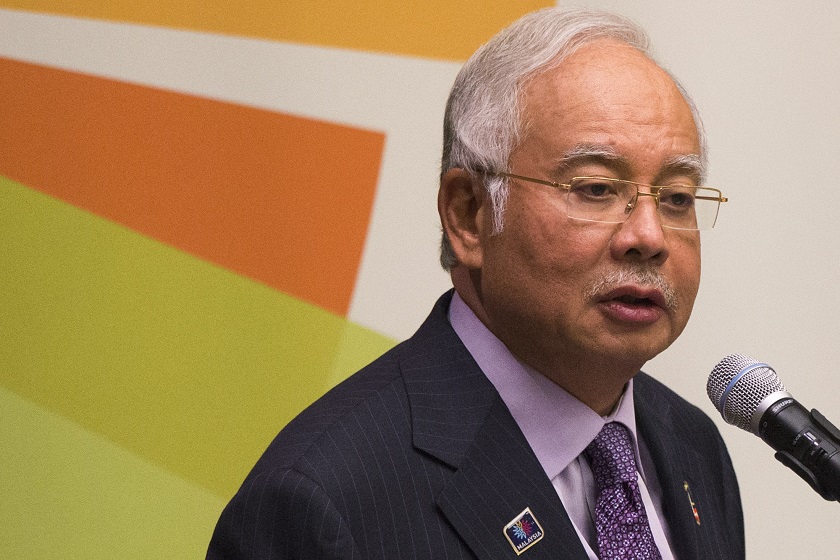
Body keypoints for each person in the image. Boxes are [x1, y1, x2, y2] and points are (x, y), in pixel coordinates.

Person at [207, 7, 744, 560]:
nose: (649, 235)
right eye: (595, 188)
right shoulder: (326, 503)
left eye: (677, 197)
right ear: (468, 215)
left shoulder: (692, 447)